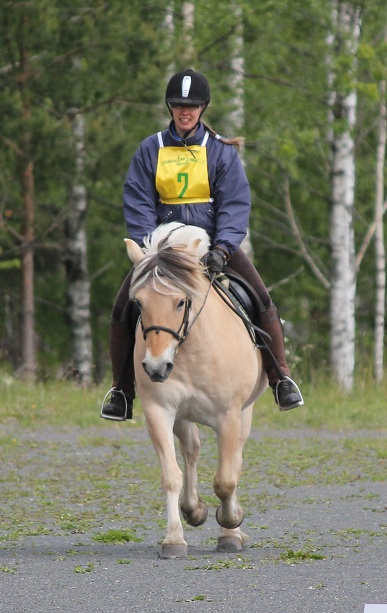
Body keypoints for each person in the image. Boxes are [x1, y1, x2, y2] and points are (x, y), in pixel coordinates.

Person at [101, 68, 304, 421]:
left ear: (203, 109)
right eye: (178, 105)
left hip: (211, 247)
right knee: (123, 308)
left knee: (261, 299)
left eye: (192, 106)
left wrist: (223, 249)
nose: (185, 112)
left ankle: (280, 377)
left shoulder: (220, 151)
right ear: (170, 107)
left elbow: (234, 204)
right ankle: (122, 390)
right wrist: (151, 249)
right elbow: (137, 201)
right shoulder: (150, 149)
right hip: (162, 251)